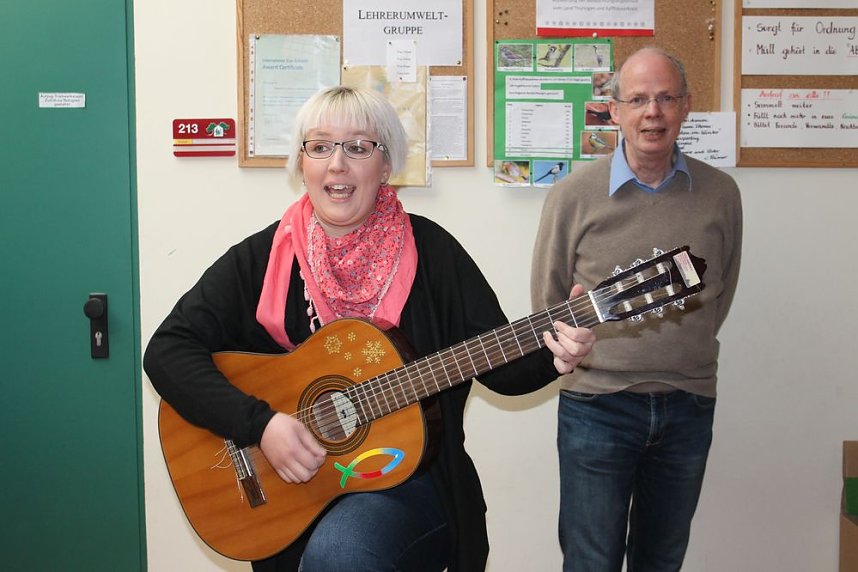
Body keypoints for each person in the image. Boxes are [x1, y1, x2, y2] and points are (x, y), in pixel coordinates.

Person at [145, 86, 595, 572]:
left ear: (386, 166)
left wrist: (557, 351)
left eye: (358, 147)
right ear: (303, 164)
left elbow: (500, 370)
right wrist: (262, 425)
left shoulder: (434, 254)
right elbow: (167, 351)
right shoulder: (262, 259)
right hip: (292, 493)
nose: (337, 164)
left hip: (411, 486)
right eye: (320, 146)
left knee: (342, 553)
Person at [531, 47, 743, 572]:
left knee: (662, 559)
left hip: (688, 405)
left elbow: (721, 292)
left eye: (666, 98)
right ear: (616, 109)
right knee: (590, 560)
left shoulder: (721, 195)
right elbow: (549, 306)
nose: (654, 112)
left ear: (686, 106)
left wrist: (675, 352)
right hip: (596, 409)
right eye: (639, 99)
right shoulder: (572, 195)